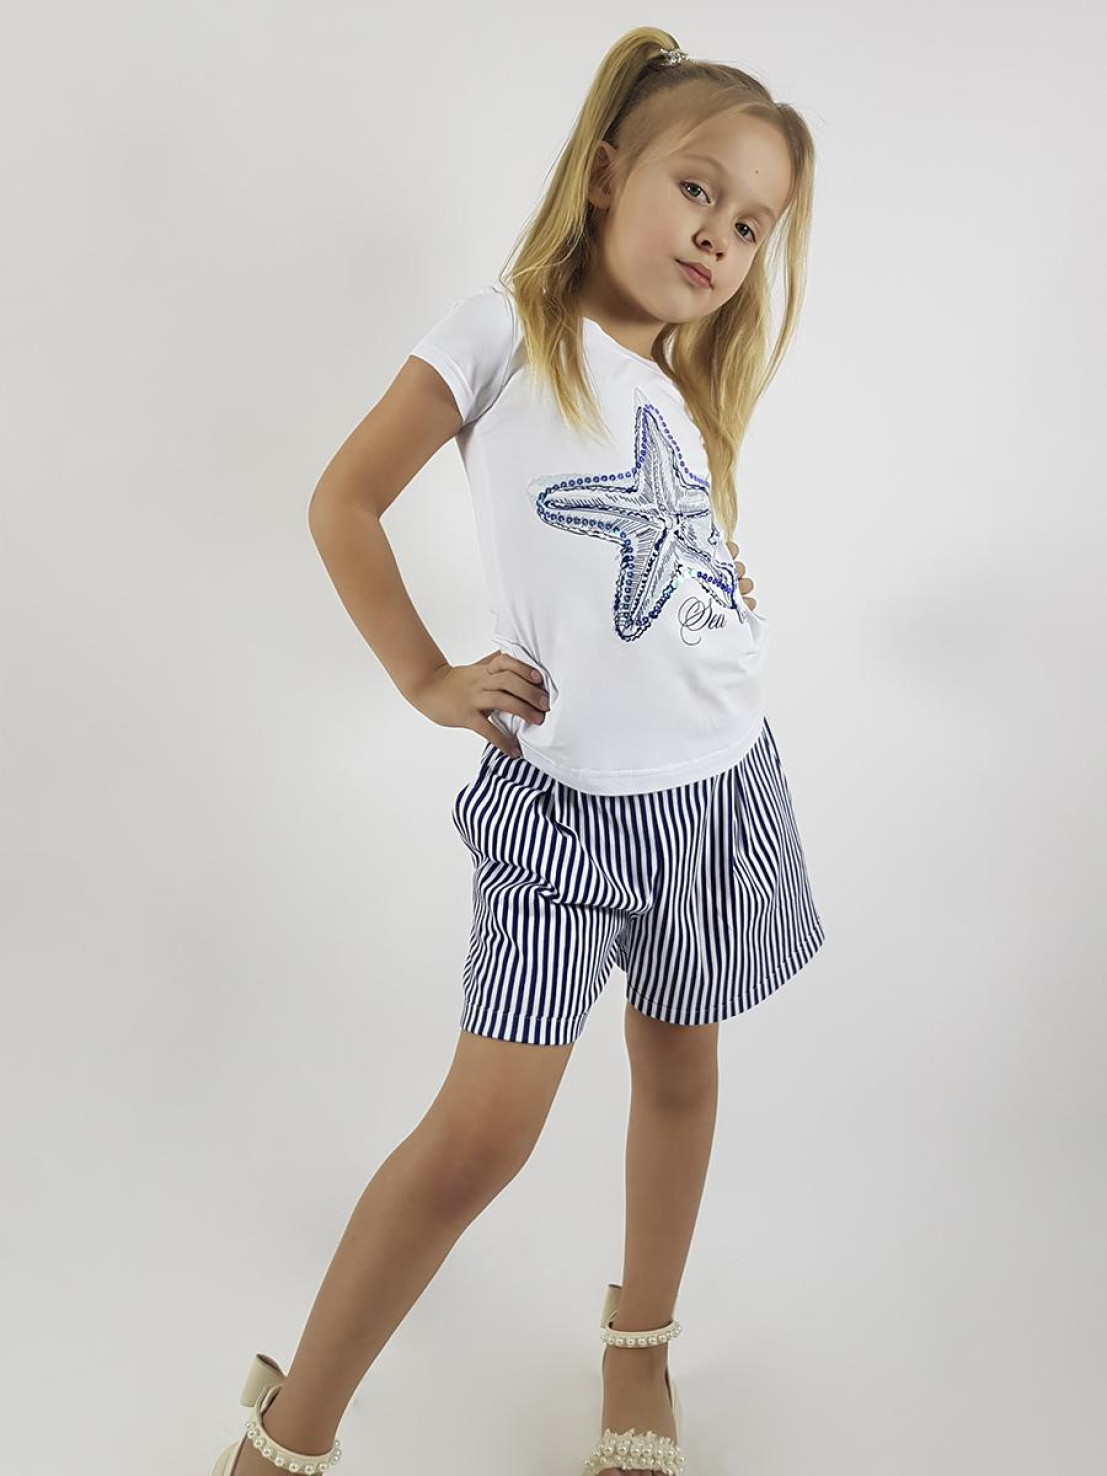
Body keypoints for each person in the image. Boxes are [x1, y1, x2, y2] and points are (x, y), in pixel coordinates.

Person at [210, 25, 825, 1476]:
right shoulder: (500, 332)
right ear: (605, 175)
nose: (721, 237)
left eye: (753, 225)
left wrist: (722, 587)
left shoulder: (678, 385)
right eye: (697, 190)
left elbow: (661, 548)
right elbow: (343, 502)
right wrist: (424, 674)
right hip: (565, 816)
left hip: (719, 789)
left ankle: (638, 1344)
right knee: (482, 1135)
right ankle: (290, 1434)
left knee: (681, 1075)